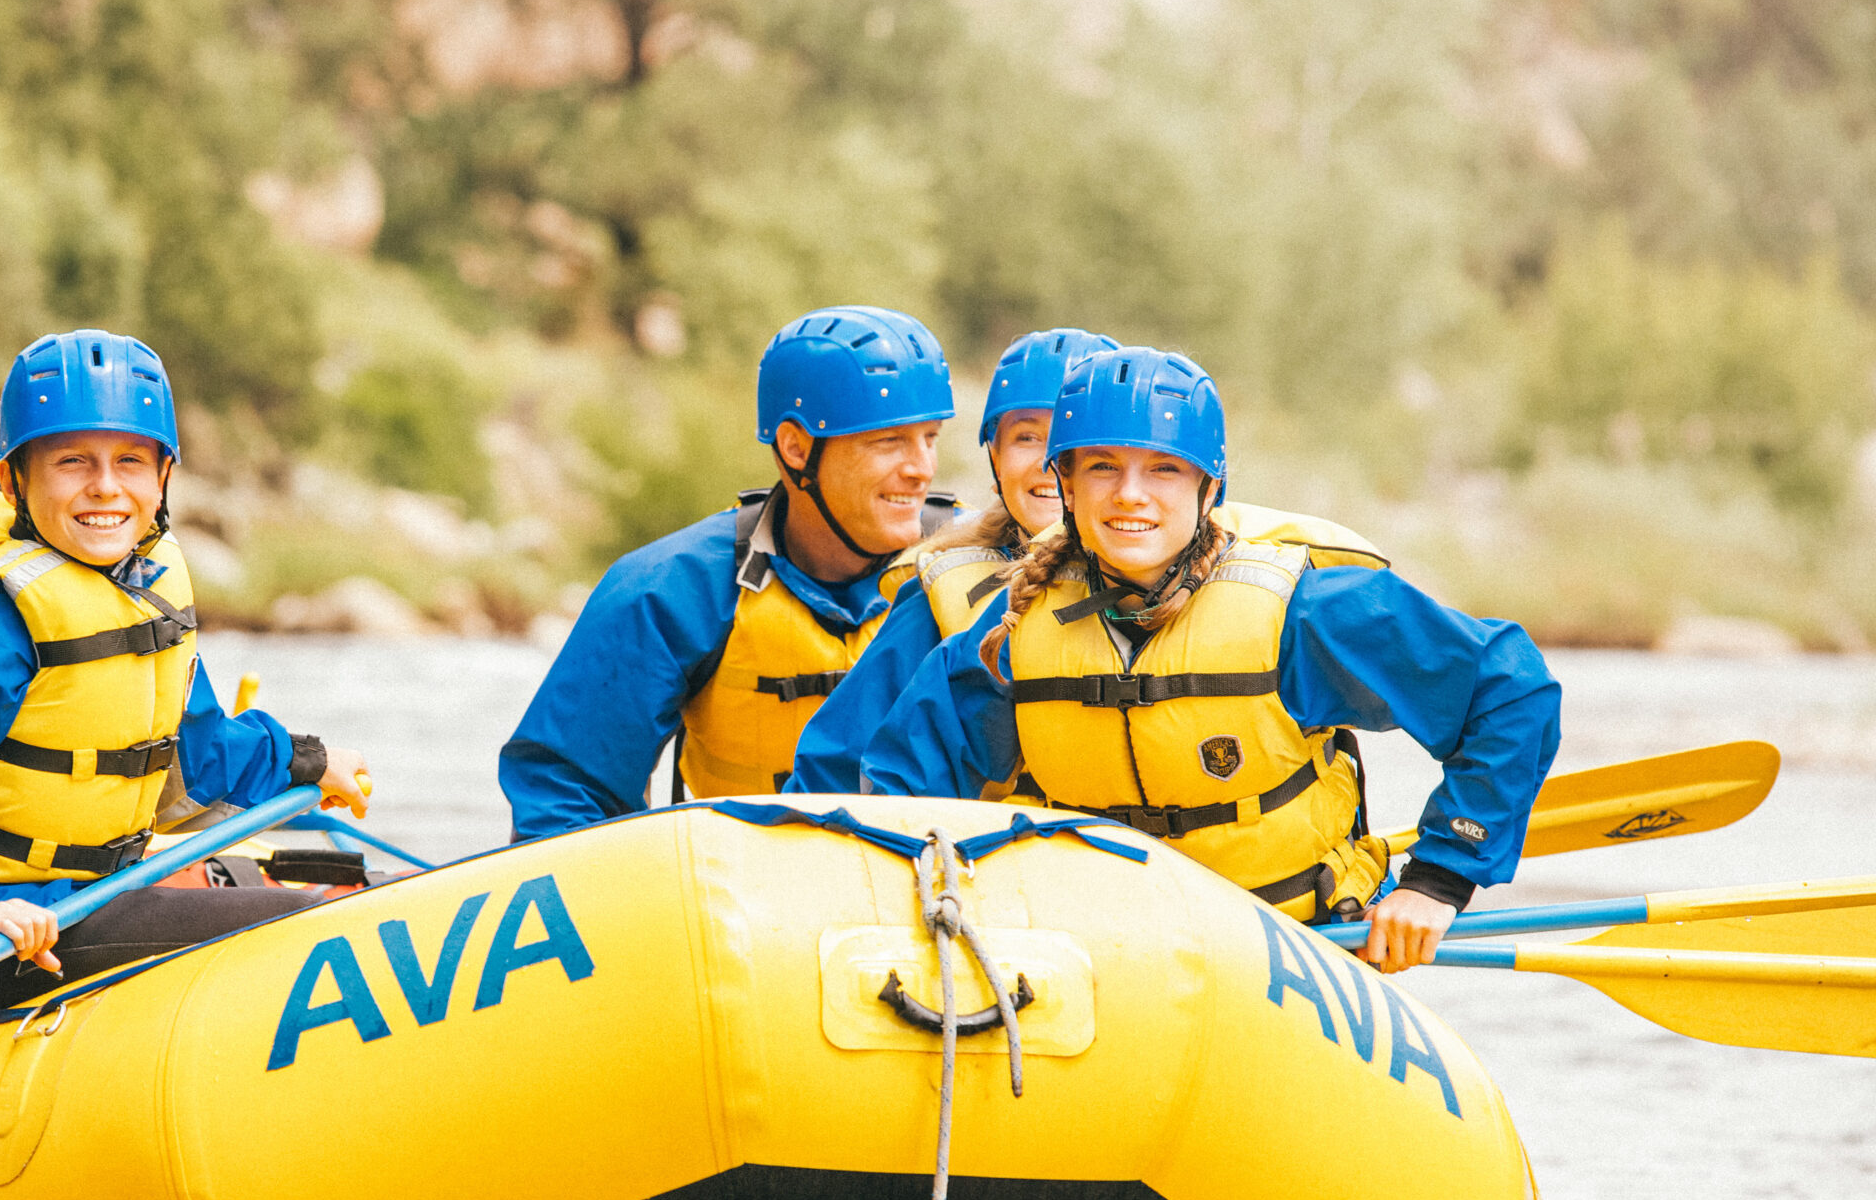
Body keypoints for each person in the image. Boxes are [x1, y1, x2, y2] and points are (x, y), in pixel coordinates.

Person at [861, 346, 1561, 974]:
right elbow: (895, 784)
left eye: (1164, 469)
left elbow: (1508, 690)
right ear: (1067, 488)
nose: (1131, 492)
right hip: (1115, 967)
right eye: (1102, 466)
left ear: (1208, 489)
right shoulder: (1016, 629)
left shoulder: (1307, 611)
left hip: (1302, 952)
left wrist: (1436, 881)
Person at [0, 330, 372, 1014]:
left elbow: (195, 756)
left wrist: (305, 759)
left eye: (130, 461)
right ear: (14, 480)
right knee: (311, 930)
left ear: (164, 478)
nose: (106, 487)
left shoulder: (141, 590)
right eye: (72, 461)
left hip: (85, 900)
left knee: (355, 890)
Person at [498, 306, 959, 840]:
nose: (922, 469)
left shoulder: (981, 575)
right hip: (747, 887)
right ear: (796, 448)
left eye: (930, 438)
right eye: (888, 441)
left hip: (946, 886)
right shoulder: (668, 588)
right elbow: (567, 792)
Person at [787, 326, 1117, 794]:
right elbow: (836, 776)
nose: (1052, 462)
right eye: (1027, 437)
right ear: (995, 457)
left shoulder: (1210, 581)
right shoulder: (939, 596)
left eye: (1076, 439)